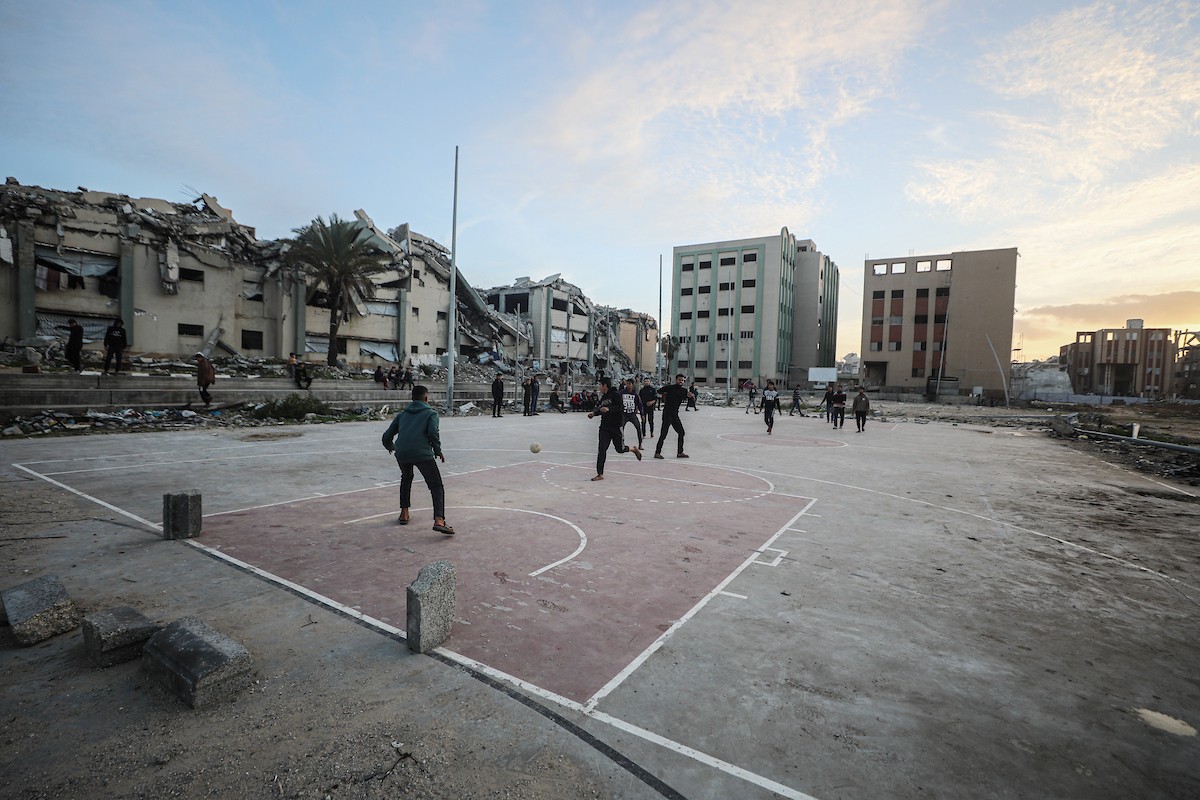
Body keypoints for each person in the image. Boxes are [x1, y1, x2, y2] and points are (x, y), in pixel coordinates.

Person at [382, 384, 453, 534]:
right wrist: (438, 451)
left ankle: (404, 513)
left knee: (406, 478)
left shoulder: (402, 415)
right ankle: (439, 519)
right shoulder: (430, 414)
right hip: (422, 453)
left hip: (402, 453)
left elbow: (386, 436)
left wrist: (391, 447)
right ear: (426, 398)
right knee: (436, 485)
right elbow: (433, 433)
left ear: (412, 399)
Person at [587, 376, 642, 480]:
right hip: (605, 427)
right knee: (602, 449)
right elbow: (601, 409)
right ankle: (600, 474)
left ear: (605, 385)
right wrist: (594, 413)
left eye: (600, 385)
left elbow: (620, 407)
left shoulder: (616, 394)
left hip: (616, 426)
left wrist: (609, 409)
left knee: (620, 449)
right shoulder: (603, 397)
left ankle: (633, 449)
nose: (599, 387)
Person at [654, 373, 689, 459]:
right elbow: (659, 391)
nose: (681, 381)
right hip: (667, 414)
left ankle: (680, 452)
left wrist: (692, 396)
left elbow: (687, 397)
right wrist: (663, 395)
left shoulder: (684, 390)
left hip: (675, 414)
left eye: (682, 380)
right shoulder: (670, 387)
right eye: (679, 380)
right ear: (676, 380)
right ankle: (657, 452)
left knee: (681, 432)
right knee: (663, 434)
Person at [620, 378, 645, 447]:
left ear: (632, 385)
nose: (628, 385)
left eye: (629, 384)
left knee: (638, 428)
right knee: (621, 428)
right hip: (624, 414)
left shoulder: (635, 395)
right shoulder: (621, 393)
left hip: (632, 415)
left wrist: (642, 414)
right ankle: (621, 443)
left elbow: (640, 405)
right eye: (627, 384)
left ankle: (640, 444)